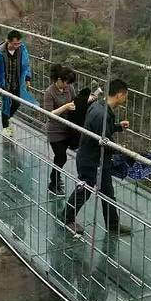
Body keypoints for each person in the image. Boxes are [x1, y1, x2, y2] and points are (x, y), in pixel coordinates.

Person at [63, 78, 132, 235]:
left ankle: (113, 225)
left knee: (108, 193)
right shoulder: (102, 114)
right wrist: (123, 153)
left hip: (97, 160)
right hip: (92, 161)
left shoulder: (98, 106)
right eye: (125, 95)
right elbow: (105, 141)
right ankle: (67, 218)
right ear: (120, 94)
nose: (125, 98)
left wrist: (117, 127)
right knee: (84, 191)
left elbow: (101, 132)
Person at [0, 29, 37, 138]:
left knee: (17, 103)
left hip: (17, 82)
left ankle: (7, 118)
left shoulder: (22, 49)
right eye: (15, 44)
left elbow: (26, 64)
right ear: (8, 41)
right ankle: (5, 127)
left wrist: (27, 78)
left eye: (19, 43)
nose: (17, 46)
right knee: (6, 104)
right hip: (4, 83)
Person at [43, 64, 76, 195]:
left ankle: (55, 178)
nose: (67, 85)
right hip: (55, 130)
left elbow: (75, 101)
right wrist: (65, 107)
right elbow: (49, 113)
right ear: (58, 79)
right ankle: (53, 182)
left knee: (60, 157)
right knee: (61, 156)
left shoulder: (69, 89)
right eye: (65, 82)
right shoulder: (49, 92)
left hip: (67, 129)